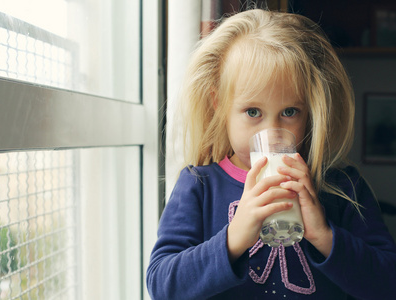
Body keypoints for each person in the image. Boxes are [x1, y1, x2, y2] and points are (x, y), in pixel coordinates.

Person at [146, 8, 396, 300]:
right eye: (253, 112)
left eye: (289, 112)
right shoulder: (198, 186)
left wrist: (324, 236)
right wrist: (233, 238)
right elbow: (163, 287)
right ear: (218, 104)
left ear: (310, 111)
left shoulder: (342, 186)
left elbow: (387, 284)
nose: (273, 131)